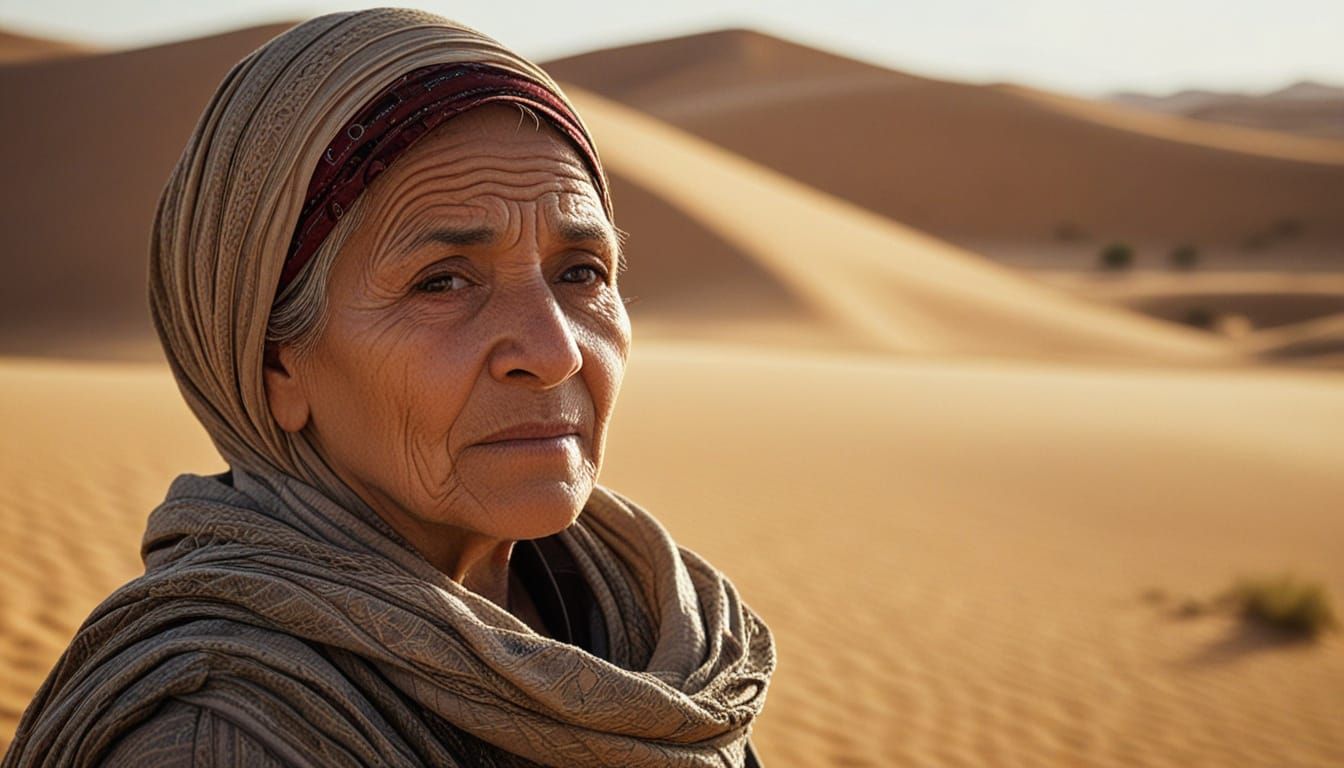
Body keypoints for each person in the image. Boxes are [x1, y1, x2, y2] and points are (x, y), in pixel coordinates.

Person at [2, 8, 774, 767]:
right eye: (442, 283)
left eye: (581, 272)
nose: (554, 352)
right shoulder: (224, 738)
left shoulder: (665, 638)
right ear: (275, 364)